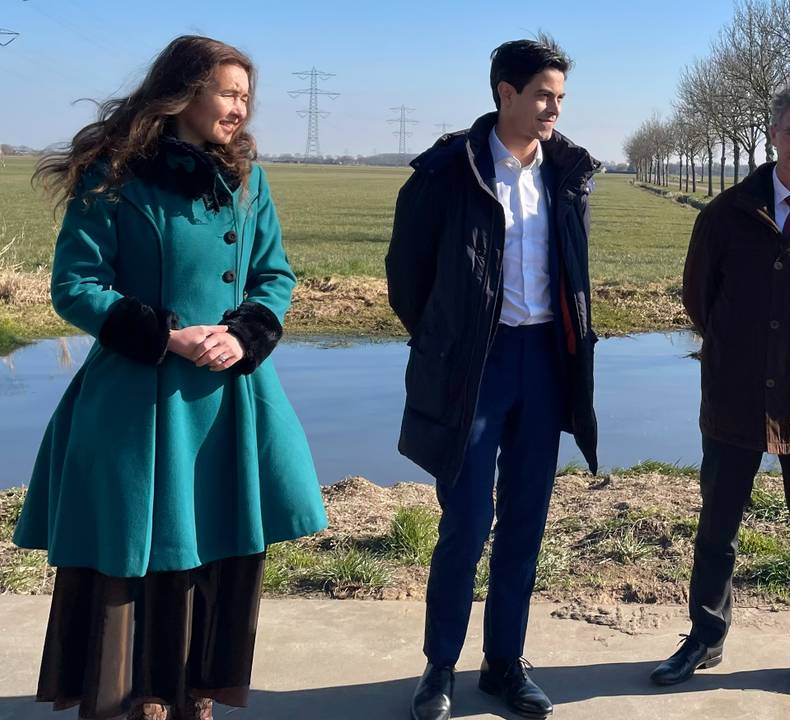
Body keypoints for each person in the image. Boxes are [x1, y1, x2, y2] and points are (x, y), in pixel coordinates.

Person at [13, 35, 328, 720]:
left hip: (227, 400)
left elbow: (274, 274)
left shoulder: (248, 177)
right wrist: (166, 334)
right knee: (133, 549)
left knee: (214, 550)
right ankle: (131, 696)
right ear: (184, 93)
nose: (240, 109)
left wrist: (243, 334)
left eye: (247, 96)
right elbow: (74, 285)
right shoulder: (114, 173)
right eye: (228, 92)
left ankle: (194, 694)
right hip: (137, 398)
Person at [386, 34, 600, 720]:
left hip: (544, 364)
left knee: (526, 523)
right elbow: (406, 278)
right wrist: (450, 341)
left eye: (560, 98)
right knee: (467, 520)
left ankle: (505, 663)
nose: (553, 111)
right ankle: (439, 669)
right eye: (542, 95)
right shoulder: (448, 172)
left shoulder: (567, 175)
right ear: (504, 93)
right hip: (474, 367)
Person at [650, 81, 790, 709]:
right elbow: (700, 300)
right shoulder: (724, 216)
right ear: (772, 134)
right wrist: (740, 352)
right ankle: (705, 635)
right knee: (718, 524)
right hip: (735, 397)